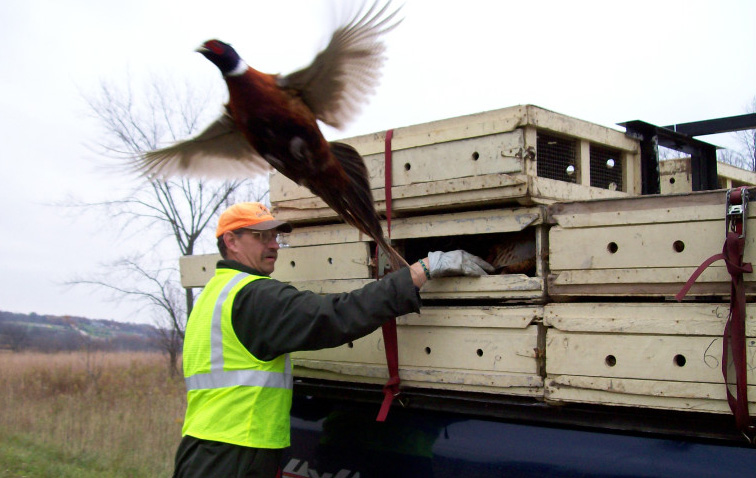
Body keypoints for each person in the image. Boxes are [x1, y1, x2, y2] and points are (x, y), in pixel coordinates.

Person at [173, 202, 494, 478]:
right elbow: (335, 315)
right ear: (231, 241)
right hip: (236, 456)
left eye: (275, 236)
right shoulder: (253, 296)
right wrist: (421, 271)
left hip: (202, 449)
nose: (273, 245)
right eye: (261, 236)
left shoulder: (212, 295)